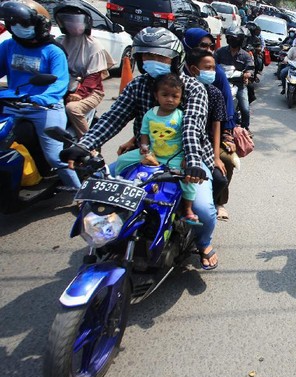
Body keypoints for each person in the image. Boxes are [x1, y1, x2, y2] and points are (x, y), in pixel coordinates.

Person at [60, 27, 219, 270]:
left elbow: (192, 129)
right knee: (98, 190)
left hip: (189, 158)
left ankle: (204, 243)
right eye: (147, 56)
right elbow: (113, 118)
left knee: (204, 210)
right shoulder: (138, 86)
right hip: (147, 155)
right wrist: (84, 145)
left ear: (175, 59)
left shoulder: (194, 88)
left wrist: (194, 162)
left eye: (160, 57)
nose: (152, 62)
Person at [0, 0, 80, 190]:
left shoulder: (53, 51)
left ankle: (80, 194)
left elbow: (60, 83)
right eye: (15, 23)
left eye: (24, 24)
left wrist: (40, 98)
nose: (19, 28)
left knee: (55, 156)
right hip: (12, 105)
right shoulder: (8, 45)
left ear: (39, 25)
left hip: (44, 107)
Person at [113, 73, 201, 226]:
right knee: (122, 161)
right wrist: (145, 148)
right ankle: (119, 188)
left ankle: (188, 209)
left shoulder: (181, 115)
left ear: (180, 98)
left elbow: (189, 136)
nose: (170, 99)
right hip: (153, 154)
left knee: (188, 182)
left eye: (175, 96)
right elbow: (144, 133)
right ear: (156, 95)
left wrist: (188, 157)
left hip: (175, 158)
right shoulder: (150, 114)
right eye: (165, 95)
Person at [184, 49, 234, 220]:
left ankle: (216, 203)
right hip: (181, 141)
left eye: (213, 68)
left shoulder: (214, 93)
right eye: (208, 68)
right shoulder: (179, 88)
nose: (212, 72)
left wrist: (215, 157)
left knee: (223, 171)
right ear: (193, 69)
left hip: (207, 141)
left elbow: (217, 125)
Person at [54, 1, 114, 139]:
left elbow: (94, 77)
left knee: (72, 109)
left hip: (90, 91)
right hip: (62, 89)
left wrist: (79, 94)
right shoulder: (59, 42)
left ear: (86, 22)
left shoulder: (94, 46)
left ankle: (87, 145)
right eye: (68, 20)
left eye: (77, 20)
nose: (73, 24)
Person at [215, 26, 254, 131]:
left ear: (240, 40)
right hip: (222, 84)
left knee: (245, 108)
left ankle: (245, 127)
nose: (232, 40)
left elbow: (250, 68)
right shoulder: (220, 52)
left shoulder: (245, 55)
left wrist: (247, 74)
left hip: (239, 84)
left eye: (235, 38)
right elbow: (213, 63)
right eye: (230, 37)